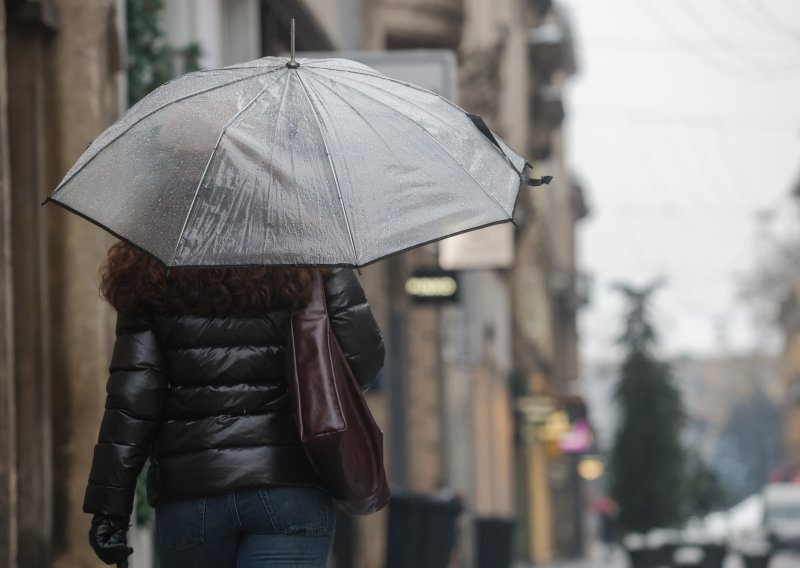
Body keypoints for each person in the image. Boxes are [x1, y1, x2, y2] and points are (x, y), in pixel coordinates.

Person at [84, 241, 385, 568]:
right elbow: (363, 355)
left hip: (192, 492)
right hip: (289, 482)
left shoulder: (153, 256)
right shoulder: (308, 244)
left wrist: (109, 508)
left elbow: (132, 399)